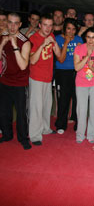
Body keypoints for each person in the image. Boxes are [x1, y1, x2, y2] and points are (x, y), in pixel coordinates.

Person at [0, 12, 31, 150]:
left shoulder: (24, 41)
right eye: (10, 22)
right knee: (4, 111)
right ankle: (7, 135)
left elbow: (23, 65)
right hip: (4, 80)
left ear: (20, 25)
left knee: (20, 113)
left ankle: (23, 138)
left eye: (15, 23)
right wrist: (2, 44)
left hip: (19, 82)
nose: (12, 26)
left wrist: (14, 46)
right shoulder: (2, 36)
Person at [29, 13, 61, 145]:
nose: (48, 28)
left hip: (48, 77)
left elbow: (59, 56)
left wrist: (54, 44)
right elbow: (32, 60)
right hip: (36, 77)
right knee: (36, 107)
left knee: (47, 106)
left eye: (50, 25)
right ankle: (35, 135)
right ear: (40, 25)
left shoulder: (51, 36)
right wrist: (43, 45)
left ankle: (45, 128)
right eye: (45, 25)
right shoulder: (34, 38)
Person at [55, 18, 83, 134]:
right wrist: (66, 43)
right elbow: (61, 59)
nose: (71, 32)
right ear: (64, 29)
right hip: (63, 72)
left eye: (73, 29)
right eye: (68, 29)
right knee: (64, 99)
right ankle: (61, 124)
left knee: (78, 99)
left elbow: (83, 57)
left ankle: (78, 123)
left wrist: (79, 48)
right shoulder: (58, 39)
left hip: (76, 71)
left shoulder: (79, 39)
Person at [74, 27, 94, 143]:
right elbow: (76, 67)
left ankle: (91, 135)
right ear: (85, 38)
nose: (91, 40)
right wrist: (86, 56)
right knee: (82, 110)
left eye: (93, 37)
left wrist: (92, 67)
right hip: (81, 82)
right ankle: (80, 135)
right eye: (88, 37)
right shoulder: (79, 48)